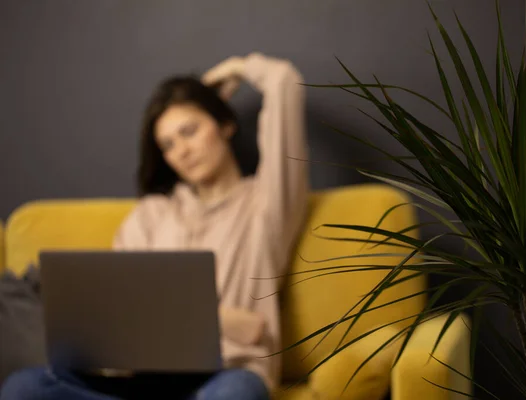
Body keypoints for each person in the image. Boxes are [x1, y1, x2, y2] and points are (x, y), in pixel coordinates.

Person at [0, 52, 309, 400]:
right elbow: (121, 313)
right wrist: (225, 320)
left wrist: (234, 69)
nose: (182, 151)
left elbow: (284, 81)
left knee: (236, 393)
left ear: (225, 125)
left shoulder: (266, 204)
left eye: (189, 131)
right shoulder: (150, 215)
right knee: (23, 387)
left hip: (224, 376)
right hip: (138, 382)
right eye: (168, 145)